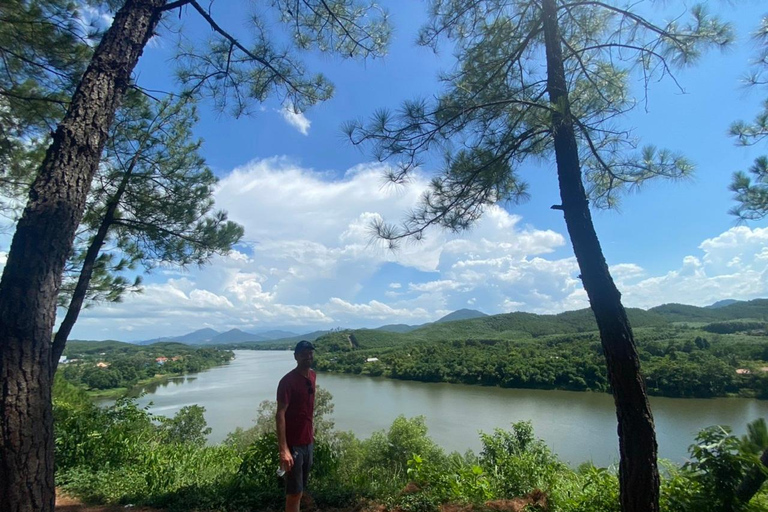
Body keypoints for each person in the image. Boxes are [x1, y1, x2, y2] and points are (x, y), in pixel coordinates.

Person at [276, 340, 316, 512]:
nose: (308, 357)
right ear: (296, 357)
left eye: (310, 353)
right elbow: (280, 414)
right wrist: (284, 449)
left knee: (300, 489)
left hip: (308, 442)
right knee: (294, 493)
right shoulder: (287, 381)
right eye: (303, 354)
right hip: (294, 446)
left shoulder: (312, 376)